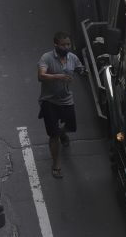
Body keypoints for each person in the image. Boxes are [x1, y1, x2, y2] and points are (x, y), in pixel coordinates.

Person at [37, 32, 85, 179]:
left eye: (68, 44)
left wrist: (84, 72)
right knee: (53, 135)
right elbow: (41, 76)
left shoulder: (73, 58)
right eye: (63, 45)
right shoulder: (46, 58)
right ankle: (56, 164)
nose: (66, 47)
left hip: (66, 100)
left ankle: (62, 133)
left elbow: (80, 69)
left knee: (71, 127)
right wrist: (58, 76)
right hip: (49, 101)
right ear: (56, 45)